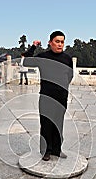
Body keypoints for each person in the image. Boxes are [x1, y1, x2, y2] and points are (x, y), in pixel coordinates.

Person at [23, 30, 73, 161]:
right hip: (46, 96)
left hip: (61, 97)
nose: (60, 45)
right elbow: (26, 62)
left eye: (62, 42)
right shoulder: (43, 56)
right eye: (57, 42)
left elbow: (70, 76)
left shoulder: (67, 58)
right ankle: (46, 151)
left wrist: (62, 88)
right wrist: (33, 46)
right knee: (46, 124)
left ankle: (57, 150)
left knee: (58, 124)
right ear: (50, 42)